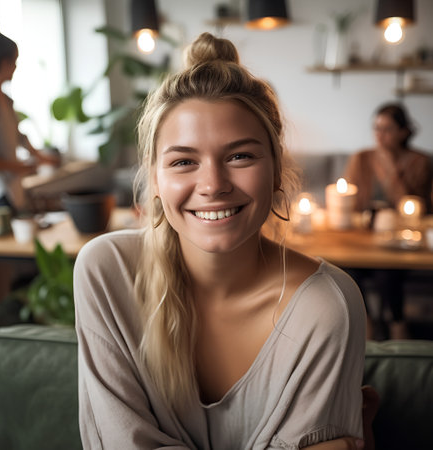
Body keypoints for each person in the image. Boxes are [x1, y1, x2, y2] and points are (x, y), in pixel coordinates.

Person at [74, 33, 367, 449]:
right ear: (155, 178)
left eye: (240, 156)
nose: (212, 185)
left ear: (276, 168)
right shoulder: (107, 273)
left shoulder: (326, 305)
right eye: (183, 161)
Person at [0, 32, 58, 310]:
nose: (15, 68)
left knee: (17, 264)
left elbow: (19, 137)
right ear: (3, 62)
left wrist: (40, 156)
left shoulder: (4, 99)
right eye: (14, 62)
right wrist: (26, 165)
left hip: (11, 191)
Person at [345, 103, 433, 340]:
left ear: (403, 132)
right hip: (364, 236)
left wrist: (392, 169)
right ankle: (368, 323)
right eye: (377, 128)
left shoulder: (421, 162)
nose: (380, 135)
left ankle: (396, 324)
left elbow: (418, 207)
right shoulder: (362, 158)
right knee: (348, 268)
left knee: (387, 270)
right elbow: (349, 203)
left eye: (388, 129)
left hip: (400, 239)